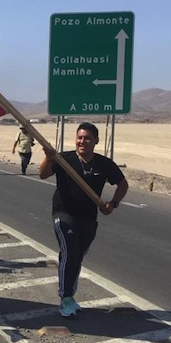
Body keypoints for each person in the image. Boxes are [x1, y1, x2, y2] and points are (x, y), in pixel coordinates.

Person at [38, 122, 128, 317]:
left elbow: (122, 184)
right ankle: (65, 297)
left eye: (87, 138)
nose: (82, 141)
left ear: (96, 141)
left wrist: (113, 203)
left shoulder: (104, 164)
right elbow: (43, 174)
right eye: (79, 137)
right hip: (63, 214)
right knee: (69, 249)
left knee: (76, 256)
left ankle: (70, 295)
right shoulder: (64, 159)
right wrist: (48, 156)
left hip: (88, 217)